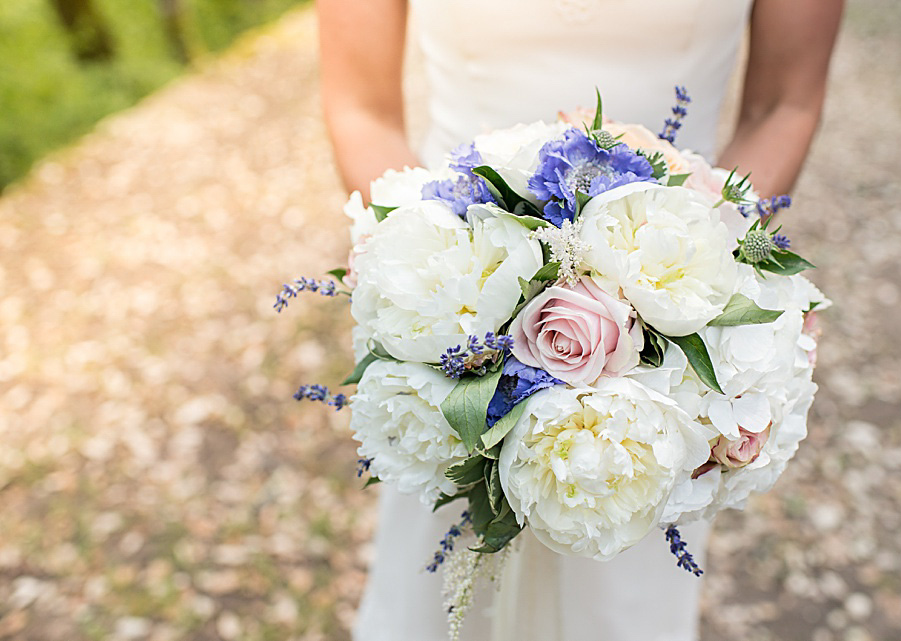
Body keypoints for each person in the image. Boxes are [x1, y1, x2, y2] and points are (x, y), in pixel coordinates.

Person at [315, 1, 844, 639]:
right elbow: (361, 107)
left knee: (621, 529)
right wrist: (438, 269)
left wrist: (707, 263)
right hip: (458, 307)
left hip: (668, 315)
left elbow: (781, 106)